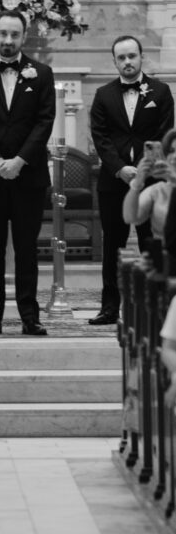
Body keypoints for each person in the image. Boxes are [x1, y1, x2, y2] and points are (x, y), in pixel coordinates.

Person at [0, 8, 55, 337]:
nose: (8, 40)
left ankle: (30, 316)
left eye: (14, 34)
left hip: (28, 175)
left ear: (24, 36)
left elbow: (44, 122)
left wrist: (18, 161)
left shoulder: (41, 74)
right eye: (3, 33)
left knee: (27, 249)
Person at [88, 35, 174, 325]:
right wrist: (120, 169)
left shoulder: (161, 92)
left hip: (150, 182)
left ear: (141, 57)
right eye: (121, 57)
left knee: (152, 244)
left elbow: (165, 133)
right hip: (114, 183)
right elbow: (100, 137)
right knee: (113, 245)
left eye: (132, 56)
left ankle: (155, 305)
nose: (127, 62)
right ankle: (110, 307)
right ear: (114, 62)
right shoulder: (103, 95)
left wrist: (142, 169)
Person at [122, 127, 176, 241]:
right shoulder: (158, 190)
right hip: (164, 251)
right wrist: (137, 183)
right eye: (171, 151)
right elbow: (130, 217)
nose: (174, 156)